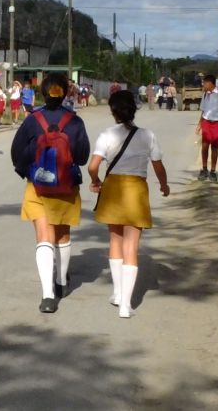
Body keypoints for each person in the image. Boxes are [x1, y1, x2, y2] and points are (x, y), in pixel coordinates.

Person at [10, 73, 91, 313]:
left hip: (38, 186)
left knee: (43, 238)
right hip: (66, 187)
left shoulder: (32, 120)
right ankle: (62, 283)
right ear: (66, 92)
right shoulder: (75, 122)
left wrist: (30, 172)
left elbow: (16, 153)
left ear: (42, 93)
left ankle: (47, 297)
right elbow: (83, 157)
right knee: (62, 236)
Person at [89, 89, 169, 318]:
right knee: (131, 247)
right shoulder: (147, 135)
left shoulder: (106, 134)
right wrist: (164, 185)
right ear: (134, 110)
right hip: (136, 190)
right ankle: (126, 305)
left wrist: (96, 182)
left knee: (115, 240)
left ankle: (116, 293)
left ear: (113, 111)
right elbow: (158, 166)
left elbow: (93, 166)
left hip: (113, 188)